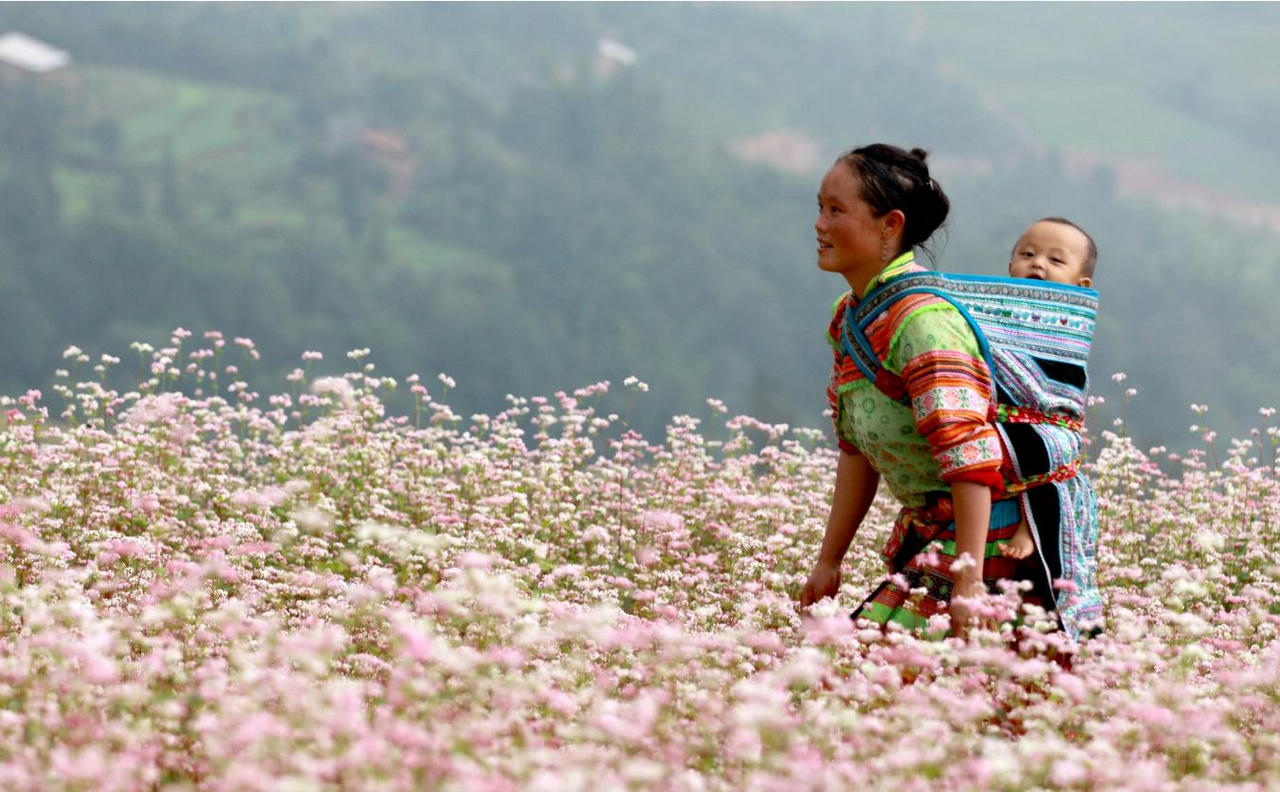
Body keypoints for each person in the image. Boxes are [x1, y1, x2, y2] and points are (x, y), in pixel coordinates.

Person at [799, 143, 1030, 638]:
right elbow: (856, 449)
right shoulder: (850, 319)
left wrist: (967, 584)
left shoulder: (924, 324)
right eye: (820, 207)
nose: (819, 224)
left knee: (875, 683)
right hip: (932, 539)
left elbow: (970, 461)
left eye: (836, 210)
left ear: (890, 224)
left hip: (988, 546)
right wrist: (828, 561)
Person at [999, 217, 1095, 561]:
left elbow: (1062, 398)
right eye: (1027, 254)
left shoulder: (1070, 336)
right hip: (992, 421)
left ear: (1081, 285)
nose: (1037, 263)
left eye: (1055, 260)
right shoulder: (991, 315)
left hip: (1046, 424)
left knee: (1053, 446)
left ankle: (1033, 522)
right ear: (1010, 267)